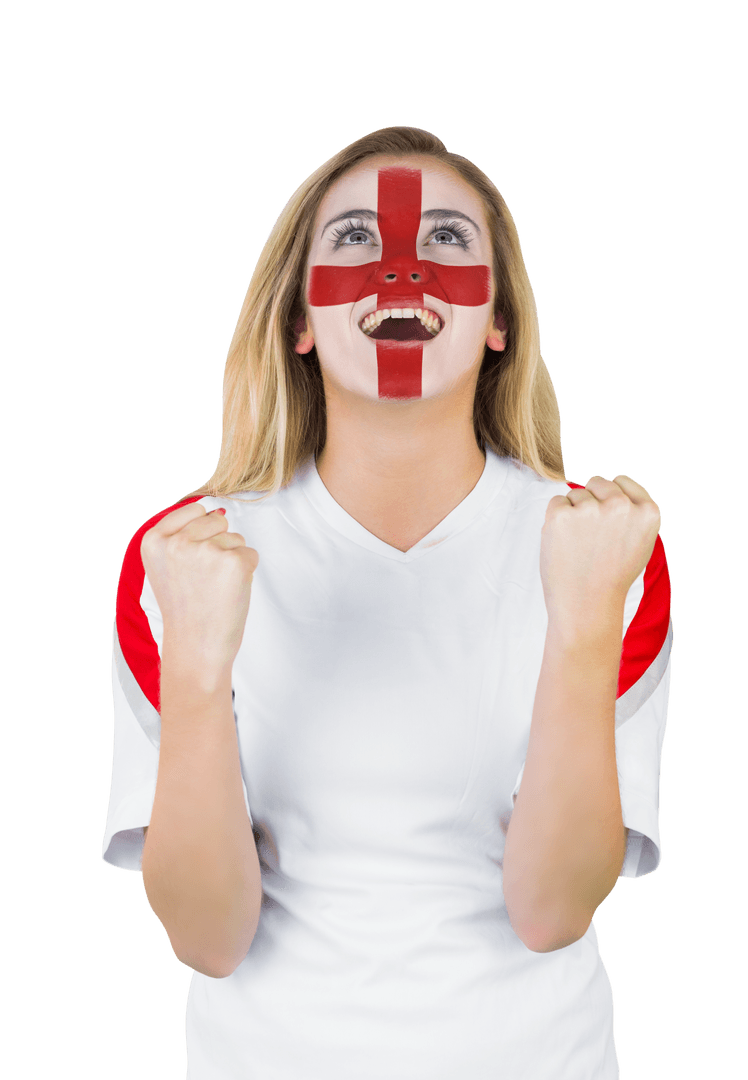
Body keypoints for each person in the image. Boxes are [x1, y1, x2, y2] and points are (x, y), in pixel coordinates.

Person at [101, 126, 673, 1079]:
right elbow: (207, 936)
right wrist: (198, 669)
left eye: (447, 237)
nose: (400, 270)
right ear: (298, 320)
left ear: (499, 320)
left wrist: (581, 628)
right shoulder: (181, 556)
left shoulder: (605, 548)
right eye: (355, 237)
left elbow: (553, 911)